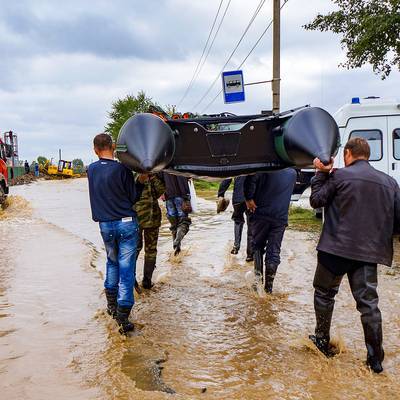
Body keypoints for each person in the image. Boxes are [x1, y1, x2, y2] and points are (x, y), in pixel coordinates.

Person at [309, 137, 400, 373]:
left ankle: (321, 342)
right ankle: (375, 360)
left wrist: (321, 173)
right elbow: (398, 224)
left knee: (324, 294)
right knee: (369, 305)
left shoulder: (339, 176)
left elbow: (316, 200)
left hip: (335, 251)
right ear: (367, 155)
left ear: (348, 153)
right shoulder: (390, 183)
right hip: (368, 254)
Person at [87, 133, 147, 334]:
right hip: (126, 224)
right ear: (113, 147)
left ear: (95, 150)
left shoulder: (91, 170)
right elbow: (132, 198)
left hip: (105, 226)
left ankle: (111, 306)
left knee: (111, 262)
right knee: (126, 267)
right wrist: (140, 181)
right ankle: (123, 313)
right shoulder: (123, 169)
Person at [244, 169, 296, 293]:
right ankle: (269, 289)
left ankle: (258, 283)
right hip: (281, 217)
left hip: (261, 213)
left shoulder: (265, 167)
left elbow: (250, 179)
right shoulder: (293, 173)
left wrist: (249, 198)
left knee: (257, 246)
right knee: (274, 252)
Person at [135, 173, 165, 289]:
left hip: (137, 217)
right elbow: (160, 191)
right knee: (150, 250)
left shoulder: (131, 171)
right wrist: (152, 176)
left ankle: (137, 281)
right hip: (151, 217)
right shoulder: (154, 175)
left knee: (135, 249)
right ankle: (146, 281)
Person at [217, 177, 253, 261]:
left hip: (238, 198)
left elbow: (227, 178)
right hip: (251, 199)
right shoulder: (253, 164)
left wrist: (221, 194)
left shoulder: (238, 163)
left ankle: (235, 248)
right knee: (251, 224)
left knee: (238, 221)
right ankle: (250, 254)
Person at [163, 173, 191, 255]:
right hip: (181, 195)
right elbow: (189, 176)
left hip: (168, 195)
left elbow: (159, 178)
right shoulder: (181, 161)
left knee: (173, 224)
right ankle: (177, 240)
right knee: (183, 221)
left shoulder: (163, 163)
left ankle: (176, 248)